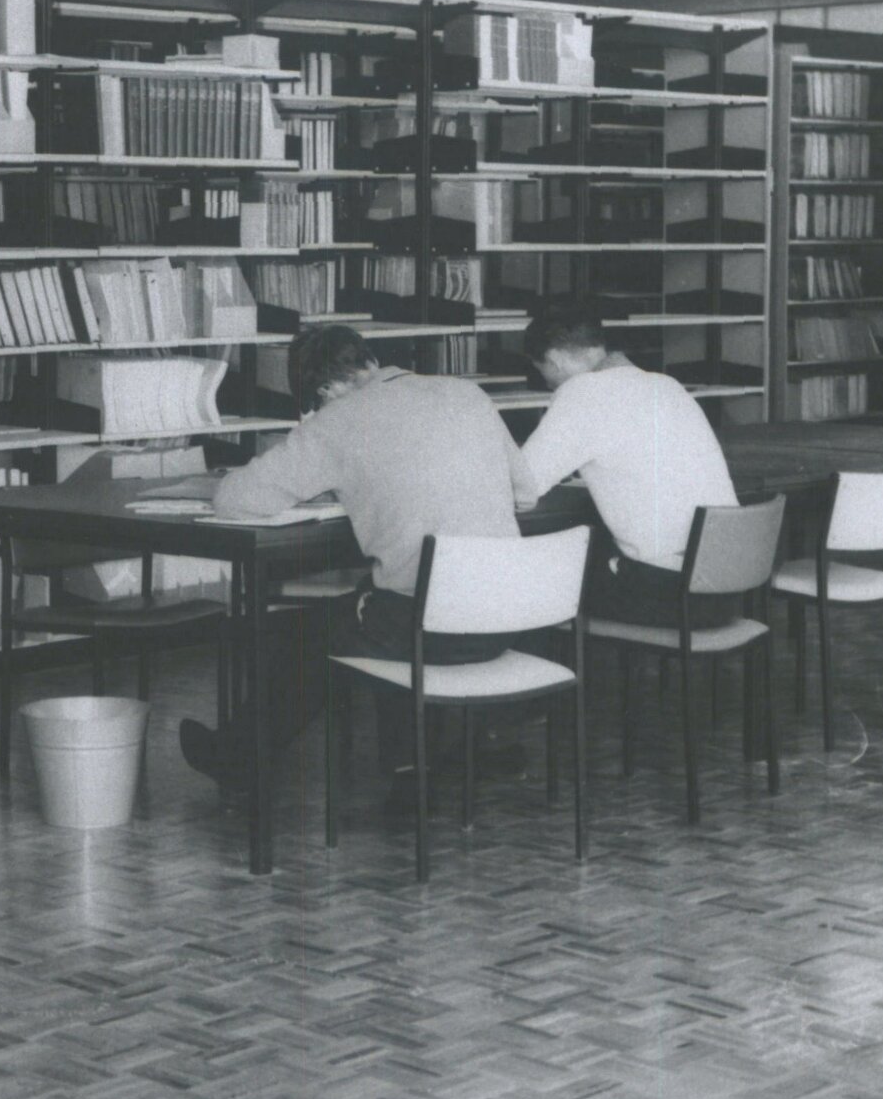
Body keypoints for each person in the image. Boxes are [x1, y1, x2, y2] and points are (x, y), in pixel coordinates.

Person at [180, 325, 543, 807]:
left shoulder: (338, 420)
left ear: (325, 390)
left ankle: (239, 757)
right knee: (380, 600)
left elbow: (235, 499)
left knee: (306, 633)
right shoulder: (467, 393)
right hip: (510, 616)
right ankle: (420, 763)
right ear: (370, 362)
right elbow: (526, 494)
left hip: (429, 629)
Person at [520, 298, 741, 629]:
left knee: (536, 574)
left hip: (677, 595)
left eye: (544, 373)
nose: (549, 384)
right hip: (729, 586)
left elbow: (523, 486)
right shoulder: (666, 385)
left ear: (555, 360)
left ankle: (552, 677)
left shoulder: (581, 392)